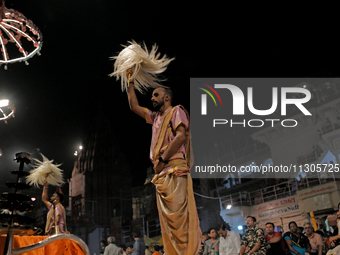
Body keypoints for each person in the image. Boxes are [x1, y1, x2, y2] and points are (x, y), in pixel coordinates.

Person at [126, 68, 201, 254]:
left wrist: (161, 159)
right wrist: (130, 82)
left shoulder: (176, 111)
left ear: (167, 97)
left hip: (174, 168)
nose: (152, 98)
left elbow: (181, 136)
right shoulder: (155, 117)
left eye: (156, 95)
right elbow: (134, 106)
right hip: (161, 173)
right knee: (167, 224)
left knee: (179, 221)